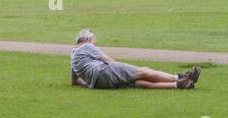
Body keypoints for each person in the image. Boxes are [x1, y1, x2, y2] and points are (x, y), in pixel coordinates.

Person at [69, 29, 200, 88]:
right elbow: (108, 60)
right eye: (93, 40)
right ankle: (179, 77)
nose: (94, 42)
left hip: (99, 83)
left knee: (139, 83)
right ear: (87, 39)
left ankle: (177, 85)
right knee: (143, 71)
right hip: (104, 71)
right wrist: (120, 68)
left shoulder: (74, 55)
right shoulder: (87, 46)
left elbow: (74, 82)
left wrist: (89, 83)